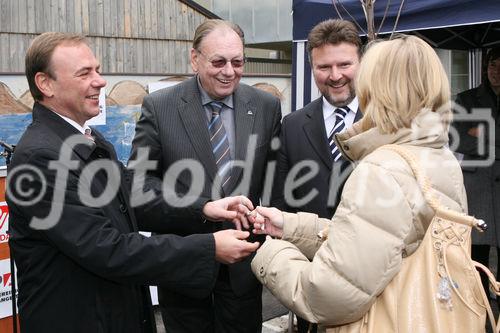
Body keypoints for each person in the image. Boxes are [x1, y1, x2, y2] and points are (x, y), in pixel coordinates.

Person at [7, 32, 259, 333]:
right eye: (85, 73)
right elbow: (107, 249)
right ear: (45, 84)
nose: (100, 81)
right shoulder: (42, 158)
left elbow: (135, 195)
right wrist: (208, 248)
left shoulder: (87, 139)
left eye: (98, 70)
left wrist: (204, 207)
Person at [246, 35, 466, 329]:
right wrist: (290, 226)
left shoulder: (383, 168)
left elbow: (327, 298)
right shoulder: (439, 154)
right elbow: (385, 238)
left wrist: (270, 251)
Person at [130, 19, 282, 333]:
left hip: (244, 273)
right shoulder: (160, 107)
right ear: (194, 58)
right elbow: (139, 189)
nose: (229, 71)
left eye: (238, 62)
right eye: (218, 61)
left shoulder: (266, 106)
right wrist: (201, 207)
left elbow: (273, 180)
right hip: (185, 274)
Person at [270, 19, 363, 333]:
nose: (335, 76)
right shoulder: (293, 125)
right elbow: (280, 201)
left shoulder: (384, 121)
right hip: (313, 276)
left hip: (371, 277)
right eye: (324, 67)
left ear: (361, 62)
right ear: (312, 67)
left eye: (344, 64)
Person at [452, 46, 500, 294]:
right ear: (486, 68)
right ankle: (481, 316)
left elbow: (472, 138)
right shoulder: (466, 99)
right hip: (477, 189)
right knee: (477, 259)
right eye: (493, 65)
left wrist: (482, 133)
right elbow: (456, 139)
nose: (497, 72)